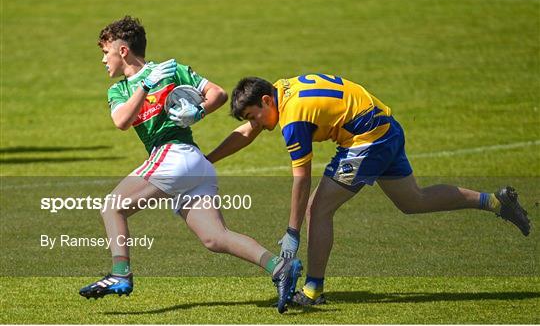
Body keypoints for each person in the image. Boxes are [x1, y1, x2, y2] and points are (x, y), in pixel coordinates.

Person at [206, 74, 531, 306]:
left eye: (256, 116)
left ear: (265, 101)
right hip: (386, 129)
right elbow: (247, 132)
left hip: (367, 142)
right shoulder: (280, 90)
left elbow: (301, 178)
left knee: (317, 210)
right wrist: (209, 160)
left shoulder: (293, 120)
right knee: (413, 200)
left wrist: (292, 231)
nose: (259, 124)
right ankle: (495, 202)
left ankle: (312, 291)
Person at [79, 16, 302, 314]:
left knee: (112, 206)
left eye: (105, 52)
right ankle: (279, 266)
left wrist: (197, 112)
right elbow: (122, 120)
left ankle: (120, 273)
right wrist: (146, 85)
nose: (102, 60)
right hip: (193, 165)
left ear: (122, 51)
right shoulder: (120, 91)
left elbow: (218, 94)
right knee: (215, 237)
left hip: (175, 155)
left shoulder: (172, 70)